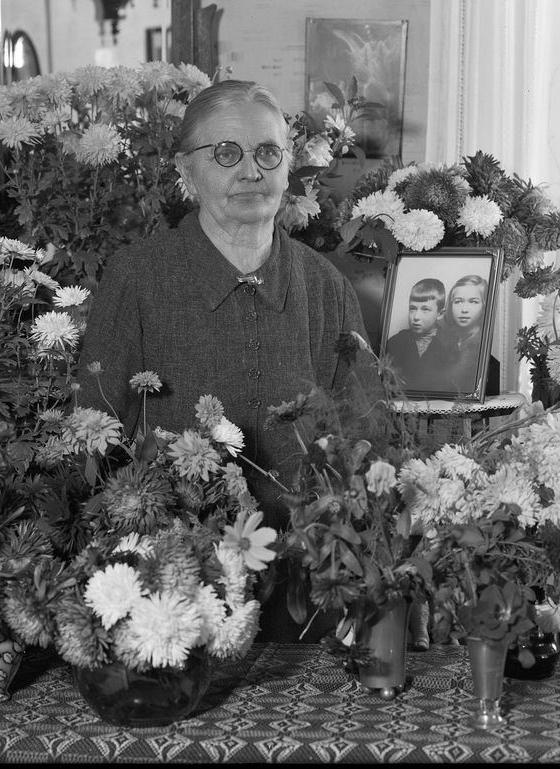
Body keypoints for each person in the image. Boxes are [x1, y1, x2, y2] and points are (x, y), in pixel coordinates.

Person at [74, 79, 372, 641]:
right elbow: (94, 444)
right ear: (186, 171)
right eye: (227, 153)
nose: (251, 172)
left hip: (308, 601)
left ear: (288, 166)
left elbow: (361, 444)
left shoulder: (326, 286)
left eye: (268, 153)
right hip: (176, 601)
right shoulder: (138, 278)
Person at [383, 278, 452, 391]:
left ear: (440, 314)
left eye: (425, 309)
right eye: (412, 309)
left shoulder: (450, 346)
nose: (416, 317)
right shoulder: (395, 342)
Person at [437, 274, 488, 396]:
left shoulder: (480, 344)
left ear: (484, 306)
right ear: (450, 305)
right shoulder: (445, 338)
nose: (464, 309)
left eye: (473, 302)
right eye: (458, 301)